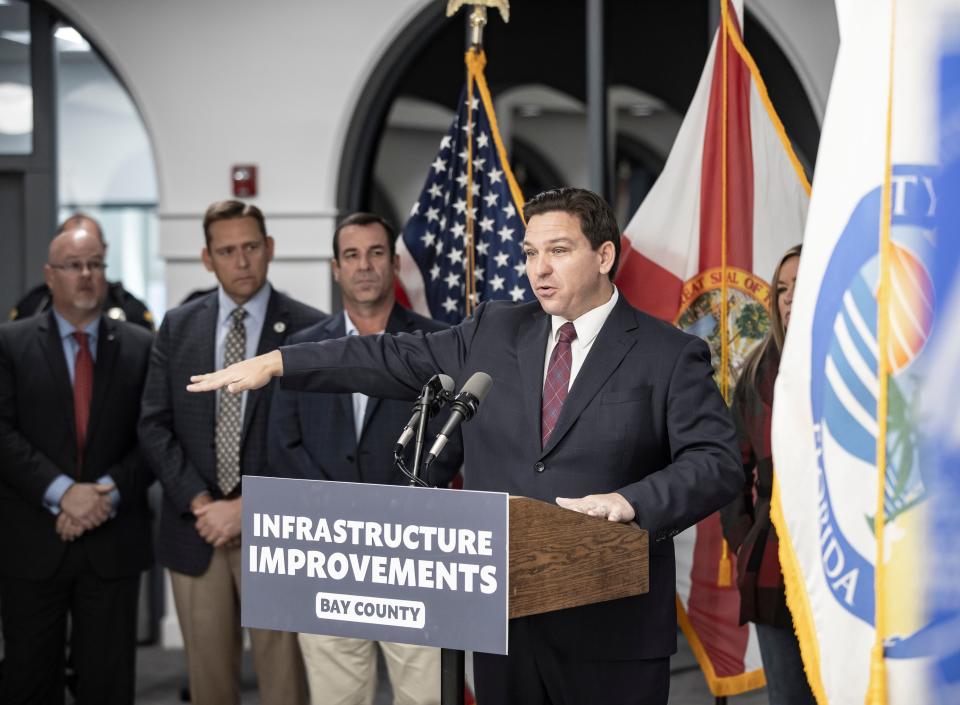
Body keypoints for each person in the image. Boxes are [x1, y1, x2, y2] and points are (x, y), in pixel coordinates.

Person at [188, 187, 742, 705]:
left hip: (611, 625)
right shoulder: (494, 330)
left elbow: (716, 462)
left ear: (604, 256)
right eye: (530, 253)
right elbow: (389, 357)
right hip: (504, 623)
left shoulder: (666, 353)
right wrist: (282, 362)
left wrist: (630, 503)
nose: (539, 269)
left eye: (558, 250)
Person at [268, 212, 463, 705]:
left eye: (376, 253)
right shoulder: (301, 349)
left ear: (394, 263)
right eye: (351, 255)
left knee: (423, 695)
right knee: (337, 696)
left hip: (413, 554)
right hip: (325, 553)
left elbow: (451, 443)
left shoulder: (437, 342)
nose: (364, 266)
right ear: (335, 268)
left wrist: (389, 513)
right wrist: (339, 512)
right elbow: (284, 445)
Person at [138, 200, 323, 705]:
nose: (241, 261)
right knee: (209, 684)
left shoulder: (310, 330)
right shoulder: (178, 326)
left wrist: (248, 508)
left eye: (250, 248)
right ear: (206, 258)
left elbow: (313, 441)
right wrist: (201, 504)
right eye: (227, 251)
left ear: (270, 249)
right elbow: (153, 424)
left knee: (286, 682)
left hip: (277, 531)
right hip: (195, 531)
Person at [0, 222, 154, 704]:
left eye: (95, 265)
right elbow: (2, 433)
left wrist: (102, 494)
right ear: (50, 275)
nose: (85, 275)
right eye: (73, 266)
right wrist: (63, 492)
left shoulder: (140, 345)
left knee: (107, 684)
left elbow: (152, 436)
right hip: (32, 542)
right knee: (28, 679)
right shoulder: (11, 343)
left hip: (112, 544)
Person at [720, 245, 815, 705]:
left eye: (801, 282)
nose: (789, 296)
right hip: (772, 565)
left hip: (841, 564)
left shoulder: (859, 360)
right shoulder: (758, 372)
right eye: (781, 288)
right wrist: (743, 539)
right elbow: (730, 471)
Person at [9, 213, 155, 331]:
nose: (85, 273)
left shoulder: (130, 309)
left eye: (93, 261)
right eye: (73, 263)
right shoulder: (35, 306)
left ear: (104, 250)